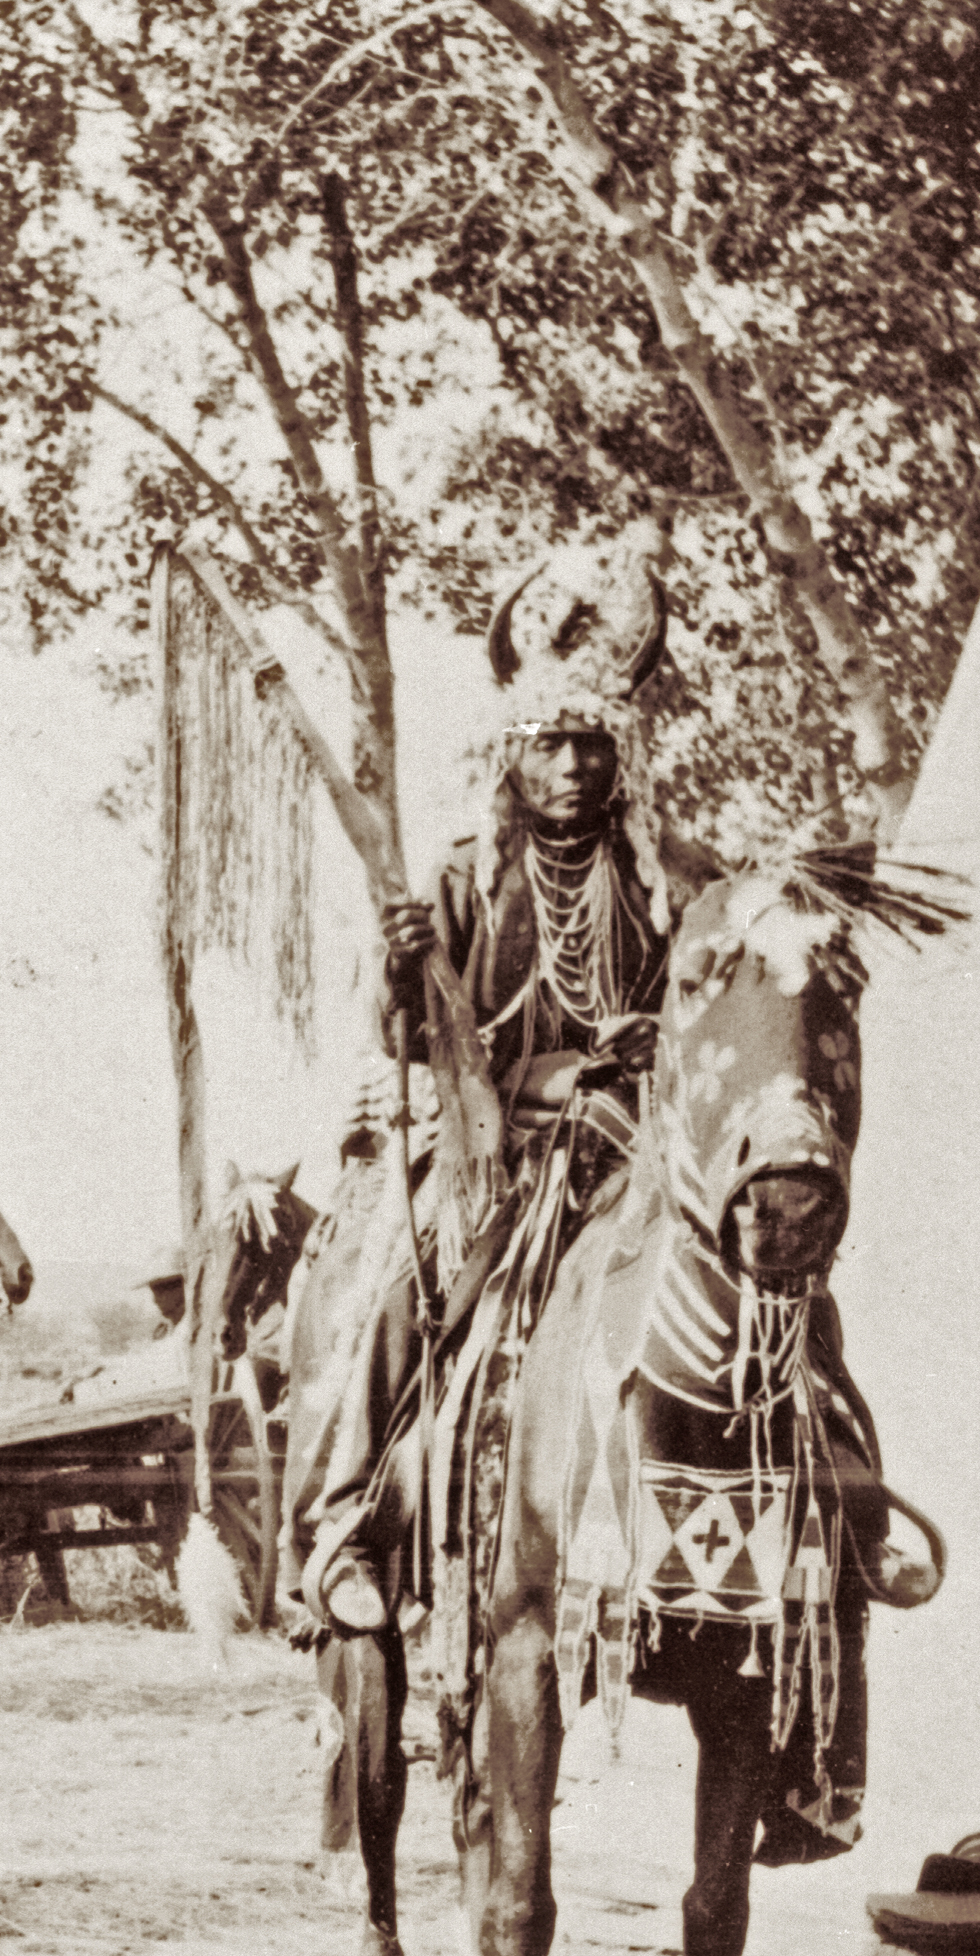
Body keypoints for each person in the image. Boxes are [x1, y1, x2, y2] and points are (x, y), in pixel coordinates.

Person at [299, 553, 676, 1632]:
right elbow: (406, 1040)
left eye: (591, 743)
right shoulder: (465, 876)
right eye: (546, 743)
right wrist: (406, 968)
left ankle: (839, 1507)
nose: (570, 765)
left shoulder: (672, 881)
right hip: (496, 1153)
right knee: (396, 1292)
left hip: (636, 1152)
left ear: (623, 757)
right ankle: (348, 1520)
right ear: (510, 756)